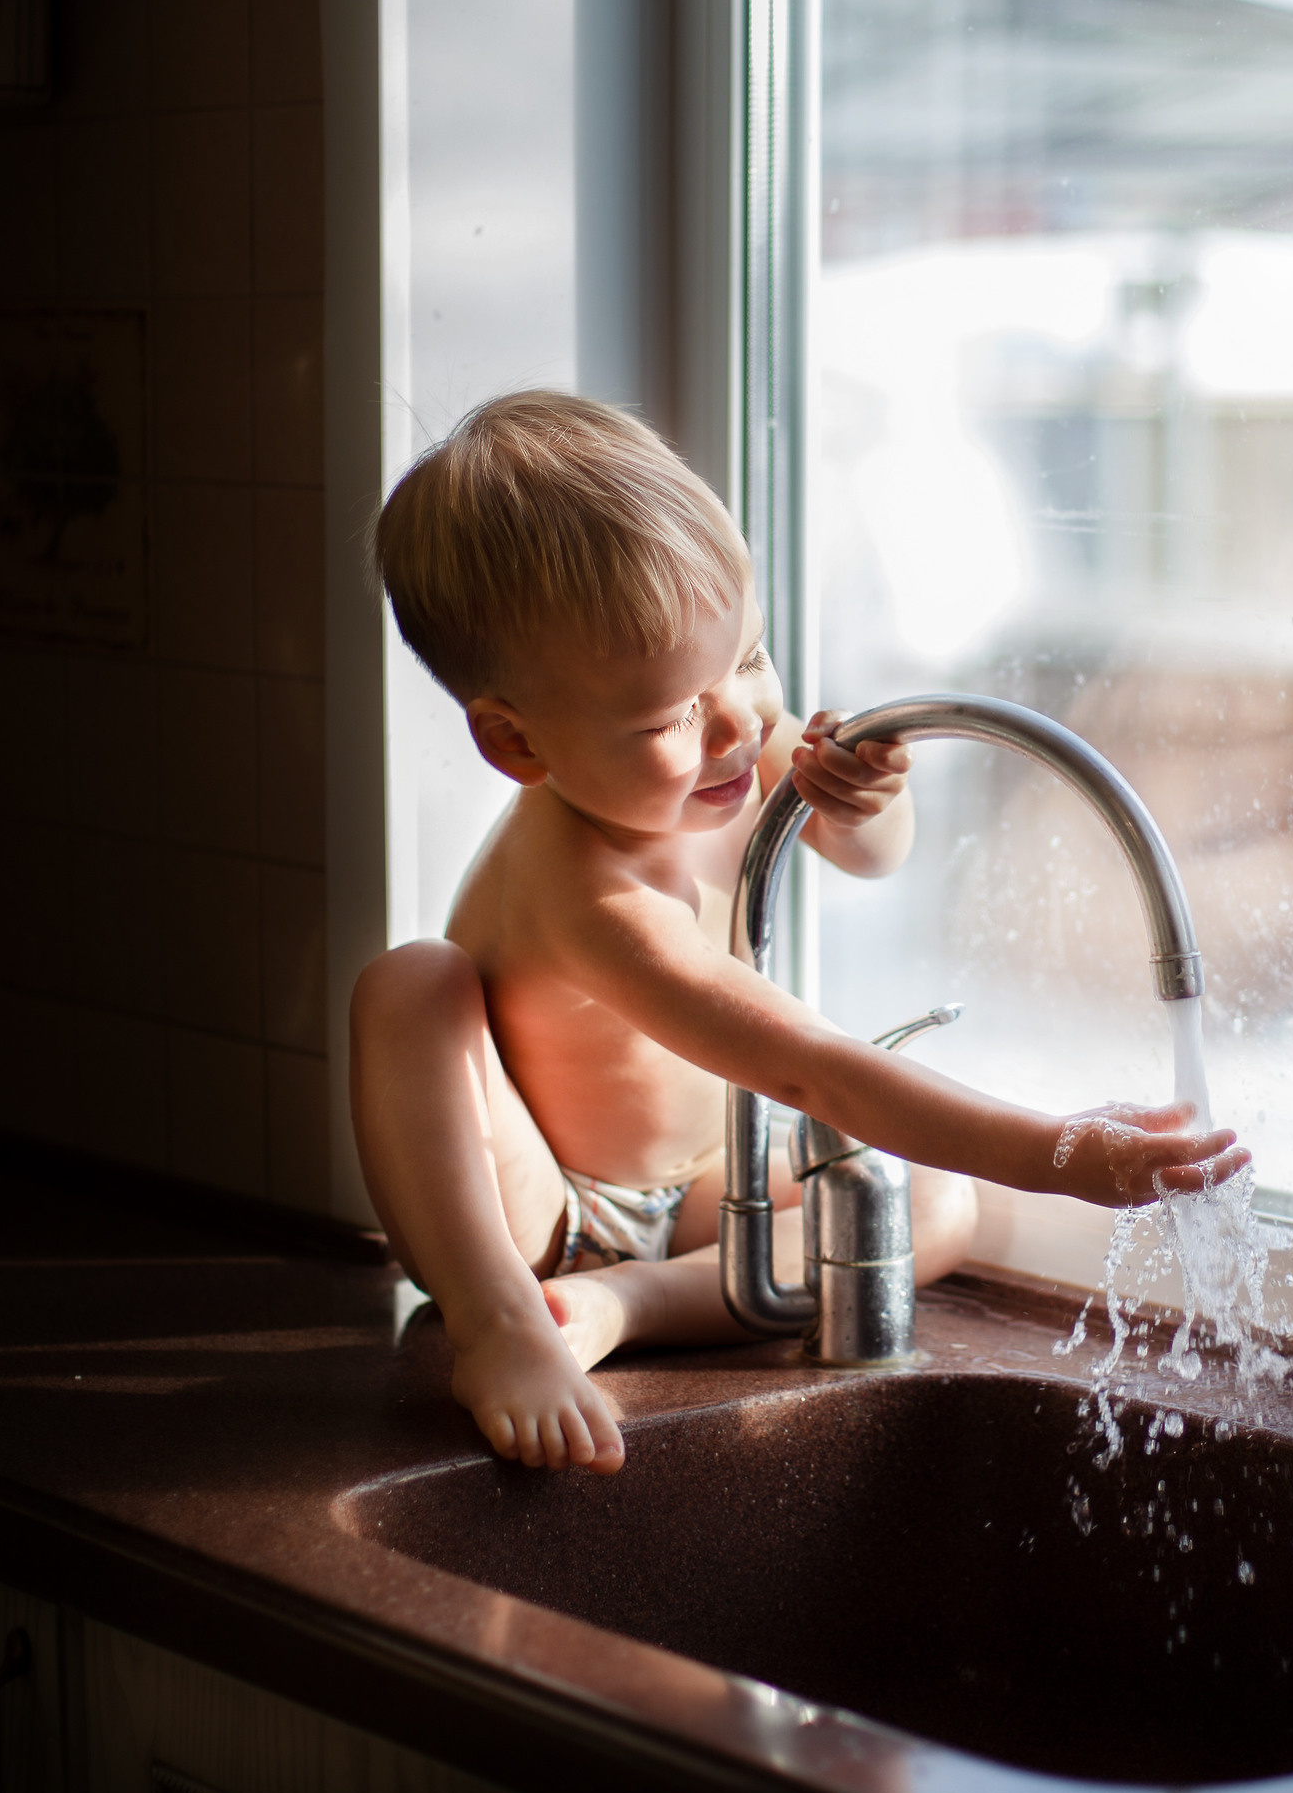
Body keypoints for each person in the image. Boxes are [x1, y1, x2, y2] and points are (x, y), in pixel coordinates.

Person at [349, 392, 1247, 1476]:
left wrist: (862, 800)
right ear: (515, 743)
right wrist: (1059, 1151)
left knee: (930, 1203)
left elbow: (875, 856)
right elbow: (810, 1066)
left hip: (696, 1191)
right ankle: (502, 1321)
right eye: (671, 714)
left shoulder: (726, 747)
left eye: (750, 656)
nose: (736, 722)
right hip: (531, 1202)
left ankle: (620, 1305)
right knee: (409, 987)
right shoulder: (588, 896)